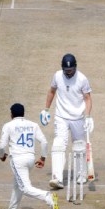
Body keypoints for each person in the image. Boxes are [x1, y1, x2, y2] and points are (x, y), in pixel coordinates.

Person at [0, 103, 59, 209]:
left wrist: (2, 156)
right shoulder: (33, 125)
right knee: (17, 186)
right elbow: (44, 142)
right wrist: (42, 158)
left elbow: (1, 146)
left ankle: (48, 197)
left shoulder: (8, 125)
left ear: (11, 114)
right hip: (30, 159)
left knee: (25, 188)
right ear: (23, 113)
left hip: (18, 160)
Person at [40, 53, 93, 189]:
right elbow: (52, 91)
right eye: (66, 70)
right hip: (61, 117)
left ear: (75, 67)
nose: (68, 73)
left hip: (78, 118)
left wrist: (87, 116)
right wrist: (46, 109)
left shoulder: (82, 78)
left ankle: (81, 174)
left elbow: (87, 98)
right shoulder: (57, 76)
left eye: (71, 70)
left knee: (79, 146)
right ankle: (56, 178)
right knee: (58, 144)